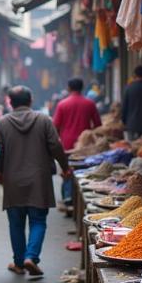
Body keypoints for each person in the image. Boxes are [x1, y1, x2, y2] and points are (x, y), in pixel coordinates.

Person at [0, 86, 71, 277]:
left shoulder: (3, 123)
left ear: (10, 103)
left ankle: (19, 263)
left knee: (16, 223)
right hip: (39, 179)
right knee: (38, 220)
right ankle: (31, 257)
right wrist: (65, 166)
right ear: (30, 100)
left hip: (13, 180)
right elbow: (55, 145)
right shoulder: (44, 120)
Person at [52, 77, 101, 211]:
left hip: (67, 144)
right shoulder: (89, 103)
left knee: (67, 170)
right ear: (82, 87)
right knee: (84, 172)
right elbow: (98, 124)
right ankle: (78, 205)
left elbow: (55, 126)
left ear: (68, 88)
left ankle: (68, 199)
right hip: (85, 145)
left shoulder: (62, 104)